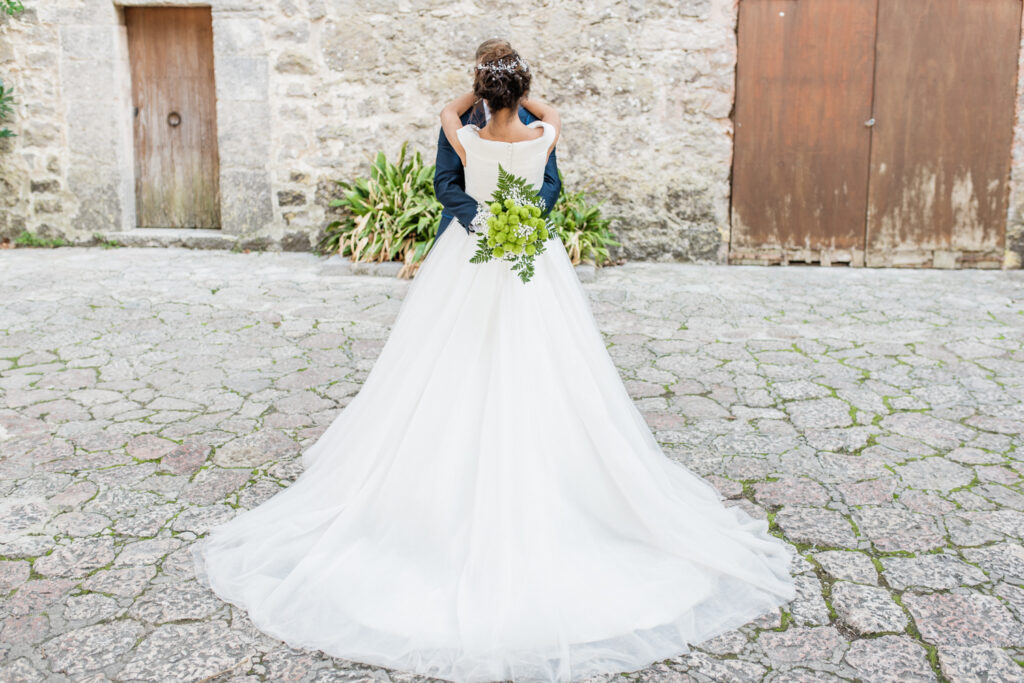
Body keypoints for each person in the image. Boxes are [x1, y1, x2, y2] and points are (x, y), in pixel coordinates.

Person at [191, 41, 797, 683]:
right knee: (473, 362)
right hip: (490, 248)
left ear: (480, 85)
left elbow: (532, 179)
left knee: (520, 362)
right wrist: (492, 217)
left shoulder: (465, 130)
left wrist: (513, 207)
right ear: (523, 87)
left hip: (505, 250)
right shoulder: (540, 128)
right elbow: (465, 185)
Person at [433, 38, 561, 244]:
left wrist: (525, 220)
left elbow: (551, 182)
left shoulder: (461, 132)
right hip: (463, 229)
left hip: (526, 232)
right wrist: (480, 220)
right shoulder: (543, 130)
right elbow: (445, 182)